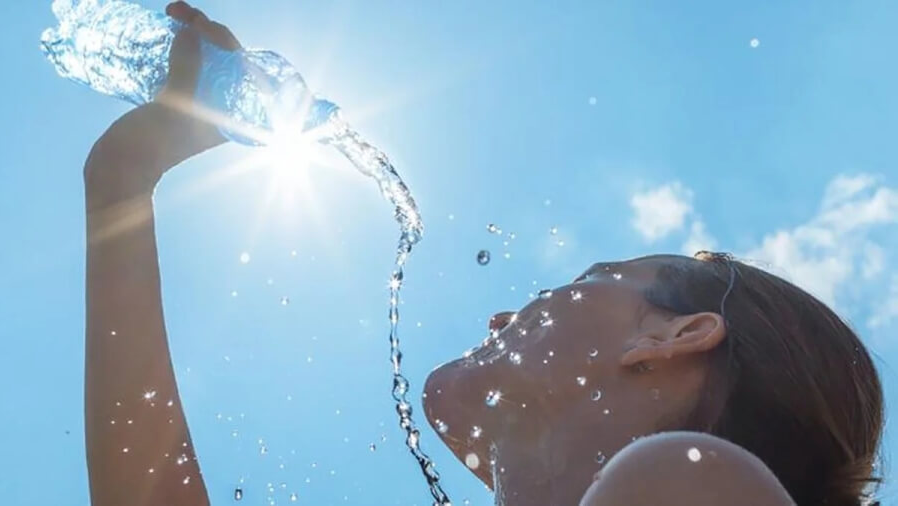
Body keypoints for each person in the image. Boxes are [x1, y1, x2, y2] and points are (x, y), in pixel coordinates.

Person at [82, 3, 884, 505]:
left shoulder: (689, 478)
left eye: (590, 279)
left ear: (676, 336)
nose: (507, 312)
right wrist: (121, 184)